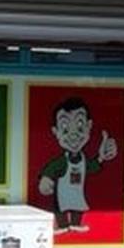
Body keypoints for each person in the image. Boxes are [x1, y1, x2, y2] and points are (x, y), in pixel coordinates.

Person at [36, 96, 117, 233]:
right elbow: (51, 168)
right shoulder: (61, 161)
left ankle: (75, 223)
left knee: (78, 206)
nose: (73, 135)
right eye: (65, 129)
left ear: (88, 126)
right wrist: (46, 180)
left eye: (80, 127)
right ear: (56, 132)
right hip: (62, 194)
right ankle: (61, 225)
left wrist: (101, 157)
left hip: (77, 193)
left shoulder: (83, 159)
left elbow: (91, 167)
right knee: (60, 207)